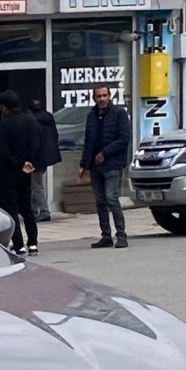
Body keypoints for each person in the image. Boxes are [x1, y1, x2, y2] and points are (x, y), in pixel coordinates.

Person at [78, 83, 132, 248]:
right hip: (96, 166)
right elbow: (88, 142)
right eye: (98, 96)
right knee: (100, 201)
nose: (102, 99)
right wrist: (83, 165)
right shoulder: (91, 116)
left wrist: (105, 153)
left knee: (111, 198)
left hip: (112, 164)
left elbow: (124, 139)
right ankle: (106, 235)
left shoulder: (119, 114)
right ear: (94, 98)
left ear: (110, 96)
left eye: (104, 95)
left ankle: (121, 235)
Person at [0, 90, 43, 255]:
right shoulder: (30, 120)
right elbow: (37, 144)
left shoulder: (5, 124)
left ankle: (19, 244)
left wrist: (18, 163)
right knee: (26, 207)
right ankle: (33, 243)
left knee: (11, 209)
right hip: (26, 171)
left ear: (3, 107)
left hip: (9, 172)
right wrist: (29, 162)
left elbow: (3, 151)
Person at [28, 97, 61, 223]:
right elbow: (55, 136)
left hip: (37, 157)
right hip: (47, 157)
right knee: (35, 184)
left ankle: (43, 211)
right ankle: (35, 209)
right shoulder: (48, 117)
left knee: (36, 185)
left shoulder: (31, 120)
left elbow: (33, 141)